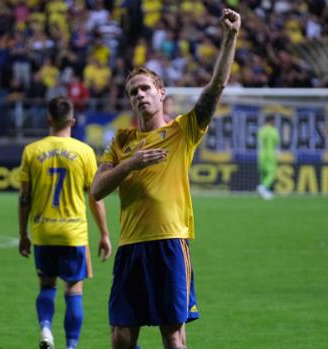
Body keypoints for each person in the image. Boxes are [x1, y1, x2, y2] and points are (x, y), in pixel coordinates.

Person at [90, 8, 240, 349]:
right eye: (133, 92)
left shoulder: (182, 130)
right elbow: (97, 190)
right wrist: (132, 163)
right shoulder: (121, 142)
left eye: (145, 89)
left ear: (161, 93)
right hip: (130, 246)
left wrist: (230, 38)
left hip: (170, 242)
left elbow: (216, 87)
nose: (139, 95)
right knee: (120, 338)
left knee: (172, 337)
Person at [18, 96, 112, 349]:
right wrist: (104, 234)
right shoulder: (84, 152)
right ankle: (71, 346)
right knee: (73, 289)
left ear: (48, 119)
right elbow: (95, 198)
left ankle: (46, 329)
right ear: (72, 120)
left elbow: (24, 198)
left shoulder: (31, 151)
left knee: (46, 285)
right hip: (73, 233)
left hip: (43, 231)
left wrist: (23, 234)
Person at [256, 115, 280, 200]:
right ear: (271, 122)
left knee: (263, 174)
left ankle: (265, 193)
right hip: (270, 154)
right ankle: (263, 187)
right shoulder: (273, 131)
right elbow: (276, 142)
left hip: (261, 154)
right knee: (272, 173)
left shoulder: (261, 130)